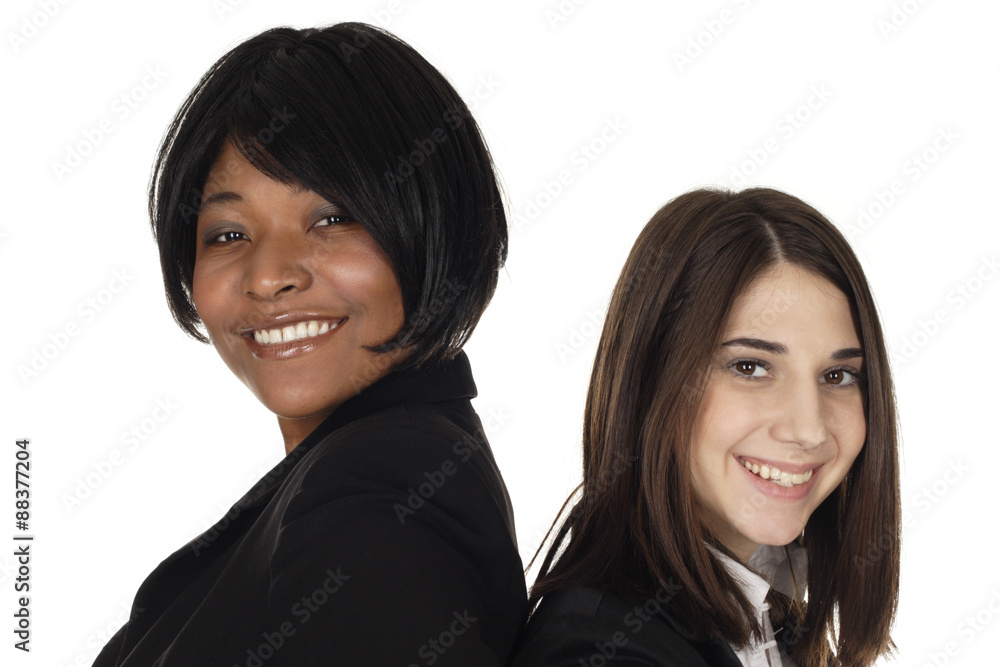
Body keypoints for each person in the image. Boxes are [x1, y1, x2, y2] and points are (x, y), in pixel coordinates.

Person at [94, 23, 526, 666]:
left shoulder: (382, 485)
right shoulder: (370, 465)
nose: (269, 276)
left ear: (435, 221)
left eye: (331, 218)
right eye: (228, 233)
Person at [510, 188, 899, 667]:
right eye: (750, 367)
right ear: (653, 380)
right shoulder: (602, 651)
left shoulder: (769, 615)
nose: (809, 429)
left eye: (837, 376)